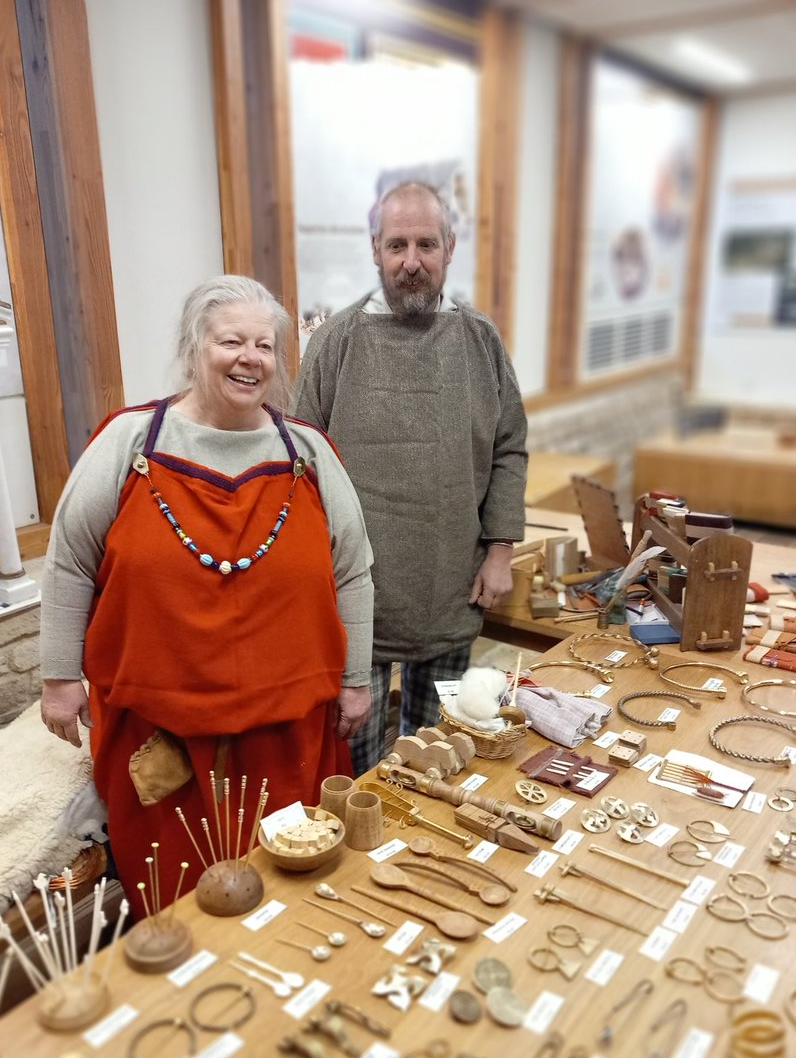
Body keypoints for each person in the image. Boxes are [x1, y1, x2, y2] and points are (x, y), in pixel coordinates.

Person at [40, 276, 373, 913]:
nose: (251, 358)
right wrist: (60, 676)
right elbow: (69, 565)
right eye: (231, 342)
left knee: (288, 886)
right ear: (195, 349)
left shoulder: (308, 452)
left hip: (289, 729)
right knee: (174, 897)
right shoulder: (129, 442)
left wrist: (356, 678)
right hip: (159, 732)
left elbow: (353, 572)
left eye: (265, 345)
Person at [293, 181, 527, 776]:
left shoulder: (480, 342)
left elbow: (509, 447)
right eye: (397, 245)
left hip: (450, 586)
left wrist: (500, 552)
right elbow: (297, 463)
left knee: (437, 759)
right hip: (357, 595)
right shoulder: (335, 343)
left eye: (427, 244)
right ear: (375, 250)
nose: (412, 262)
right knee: (358, 769)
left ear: (450, 248)